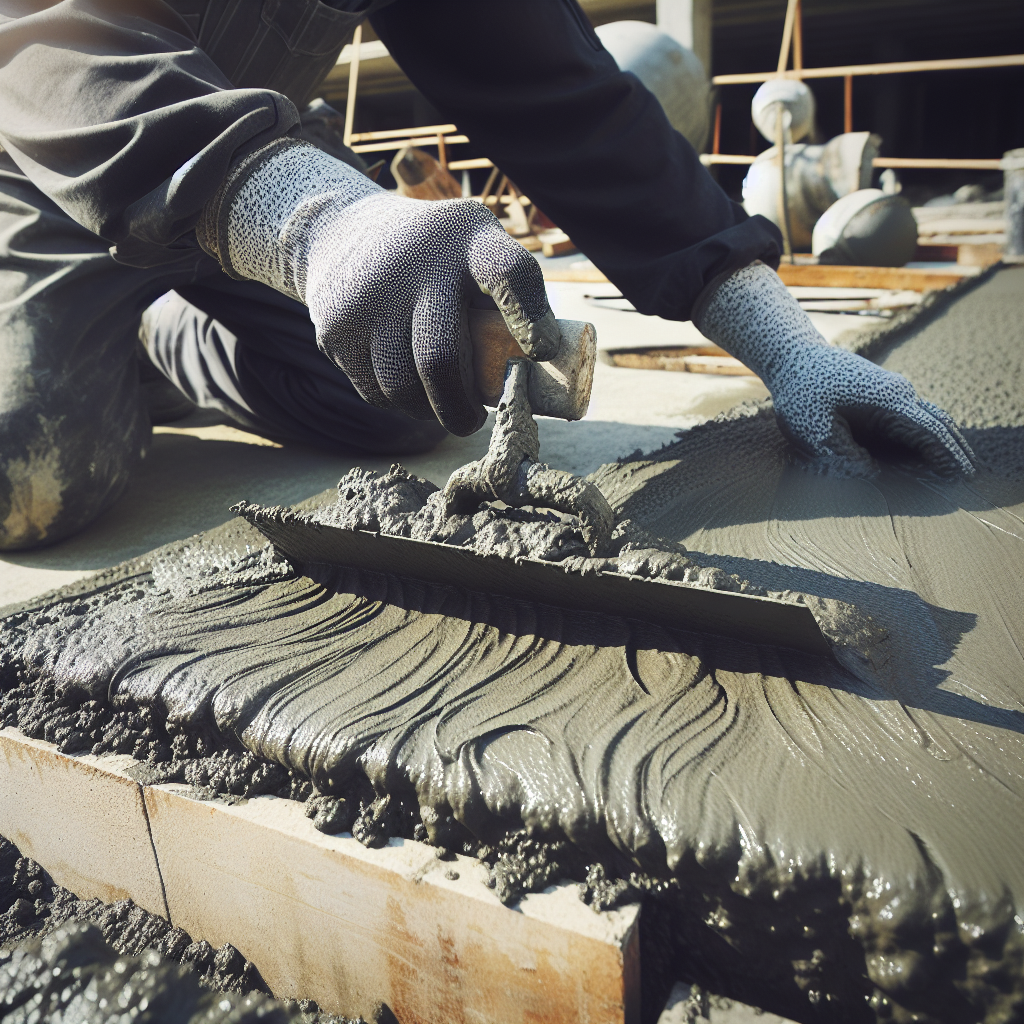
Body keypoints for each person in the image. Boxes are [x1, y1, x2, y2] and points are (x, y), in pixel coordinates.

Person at [0, 0, 974, 552]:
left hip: (241, 142)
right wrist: (313, 227)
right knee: (29, 473)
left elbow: (564, 99)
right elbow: (42, 40)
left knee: (406, 385)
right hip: (39, 157)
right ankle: (93, 357)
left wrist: (779, 338)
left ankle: (159, 345)